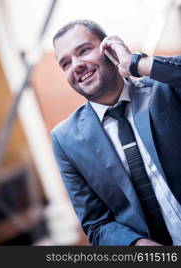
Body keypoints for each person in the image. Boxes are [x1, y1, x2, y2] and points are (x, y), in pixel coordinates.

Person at [51, 20, 181, 246]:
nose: (76, 65)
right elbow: (96, 224)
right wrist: (136, 246)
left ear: (108, 48)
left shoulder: (165, 89)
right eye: (65, 63)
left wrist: (135, 62)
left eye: (83, 51)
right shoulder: (65, 140)